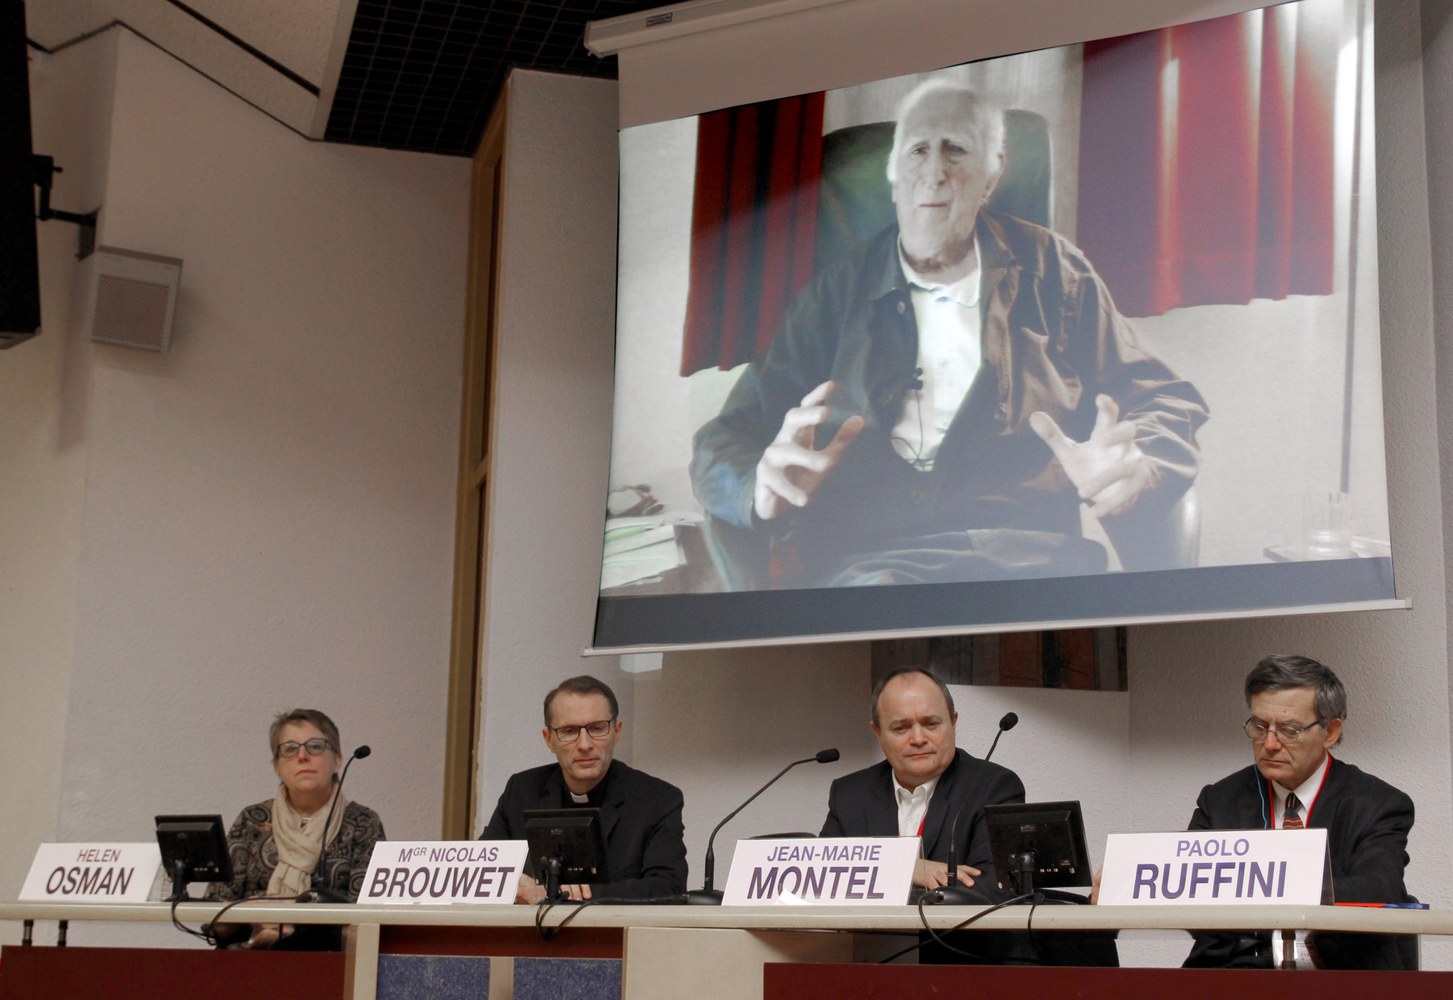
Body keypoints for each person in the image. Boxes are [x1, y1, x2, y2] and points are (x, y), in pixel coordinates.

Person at [691, 78, 1208, 588]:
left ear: (992, 174)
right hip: (870, 565)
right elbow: (725, 438)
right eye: (918, 150)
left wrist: (1140, 462)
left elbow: (1163, 398)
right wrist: (758, 484)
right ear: (894, 173)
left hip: (1030, 559)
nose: (934, 173)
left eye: (956, 149)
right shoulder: (833, 296)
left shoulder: (1055, 272)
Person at [1184, 655, 1416, 969]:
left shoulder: (1378, 803)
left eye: (1289, 730)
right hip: (1234, 972)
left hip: (1338, 973)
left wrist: (1274, 886)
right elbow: (1189, 890)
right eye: (1259, 727)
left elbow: (1379, 888)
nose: (1269, 744)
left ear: (1330, 732)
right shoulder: (1220, 800)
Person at [478, 675, 688, 902]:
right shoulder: (521, 791)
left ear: (616, 732)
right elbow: (480, 869)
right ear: (549, 739)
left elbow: (669, 886)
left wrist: (559, 894)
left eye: (597, 728)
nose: (585, 745)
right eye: (569, 731)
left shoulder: (657, 800)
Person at [820, 666, 1022, 900]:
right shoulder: (849, 795)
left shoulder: (994, 787)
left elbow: (994, 888)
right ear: (878, 732)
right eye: (901, 728)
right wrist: (907, 868)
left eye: (931, 724)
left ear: (953, 723)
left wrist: (886, 879)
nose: (918, 739)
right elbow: (820, 878)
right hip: (865, 927)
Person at [211, 708, 385, 949]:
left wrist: (292, 930)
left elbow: (368, 923)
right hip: (247, 960)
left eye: (315, 746)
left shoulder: (362, 823)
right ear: (277, 766)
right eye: (290, 749)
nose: (302, 756)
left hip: (331, 964)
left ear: (337, 760)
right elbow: (215, 915)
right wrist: (255, 914)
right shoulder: (252, 819)